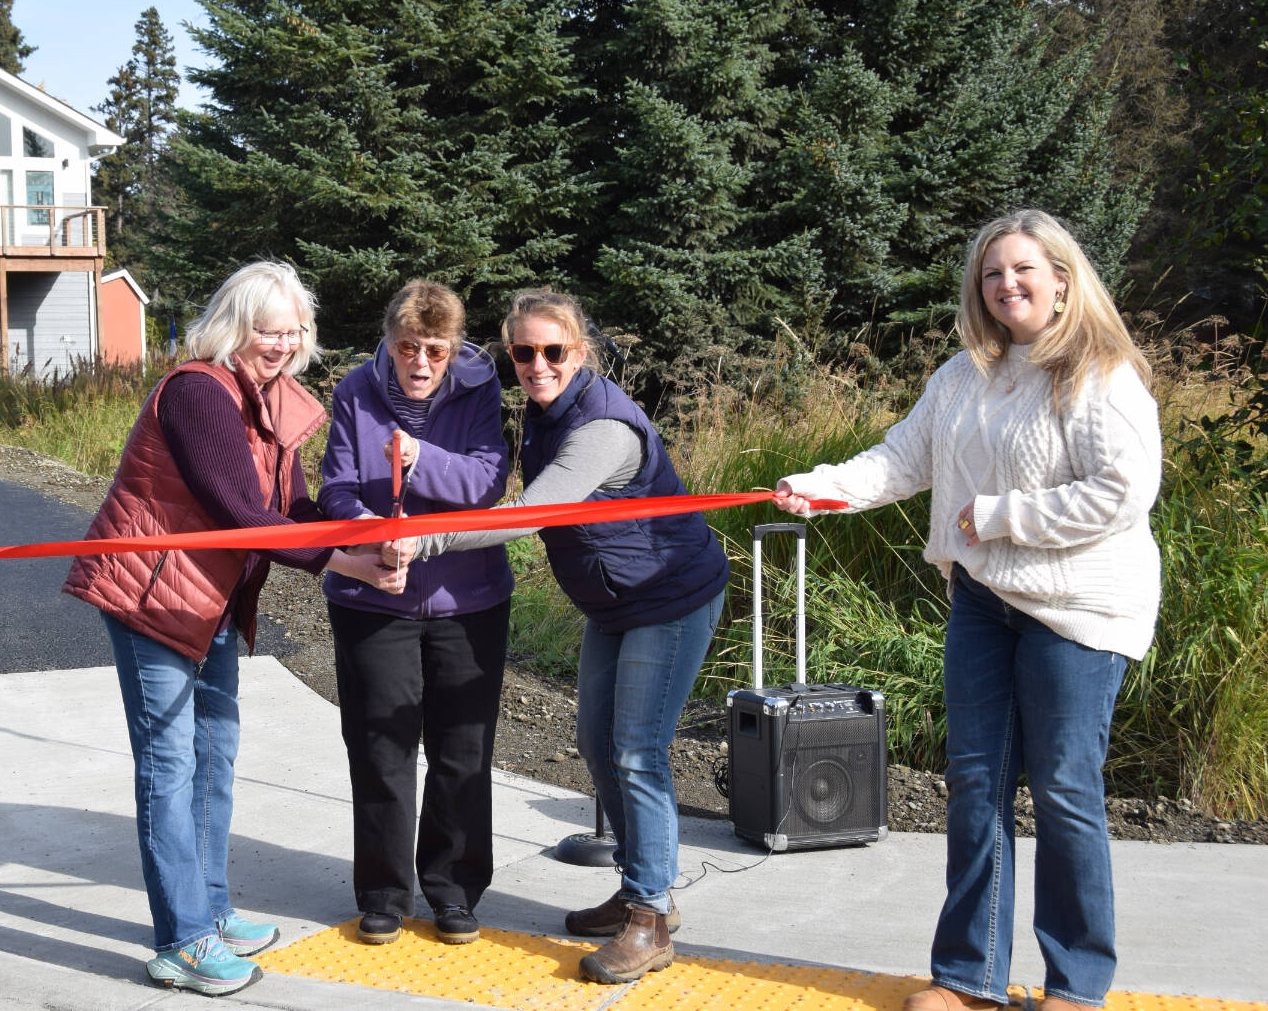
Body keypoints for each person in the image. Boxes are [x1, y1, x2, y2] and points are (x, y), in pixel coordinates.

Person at [773, 210, 1161, 1011]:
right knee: (975, 785)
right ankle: (968, 979)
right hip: (984, 601)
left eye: (1023, 270)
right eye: (992, 274)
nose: (1006, 285)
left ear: (1062, 280)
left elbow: (1122, 495)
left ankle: (1076, 987)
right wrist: (823, 487)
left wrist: (1000, 516)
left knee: (1063, 790)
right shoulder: (962, 377)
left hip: (1080, 610)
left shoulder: (1100, 374)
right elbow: (900, 459)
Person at [64, 260, 406, 997]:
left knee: (215, 760)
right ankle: (183, 941)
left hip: (212, 602)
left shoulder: (272, 398)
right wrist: (344, 562)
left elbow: (295, 507)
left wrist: (365, 527)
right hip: (153, 596)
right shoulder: (198, 391)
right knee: (170, 766)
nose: (280, 346)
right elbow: (239, 514)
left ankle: (210, 910)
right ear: (232, 324)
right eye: (266, 331)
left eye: (292, 333)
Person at [397, 289, 730, 984]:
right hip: (615, 601)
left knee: (637, 752)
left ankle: (650, 919)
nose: (537, 364)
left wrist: (419, 542)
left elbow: (529, 515)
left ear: (580, 352)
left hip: (668, 598)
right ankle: (643, 885)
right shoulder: (543, 410)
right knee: (595, 743)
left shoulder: (601, 427)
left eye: (554, 351)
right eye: (523, 352)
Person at [318, 280, 514, 947]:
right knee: (381, 747)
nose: (421, 363)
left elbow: (488, 485)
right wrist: (373, 530)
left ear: (455, 347)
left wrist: (419, 458)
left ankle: (454, 890)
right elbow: (336, 489)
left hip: (470, 598)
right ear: (389, 344)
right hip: (373, 597)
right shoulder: (354, 390)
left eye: (436, 348)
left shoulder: (480, 388)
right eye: (408, 348)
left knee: (463, 751)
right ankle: (383, 892)